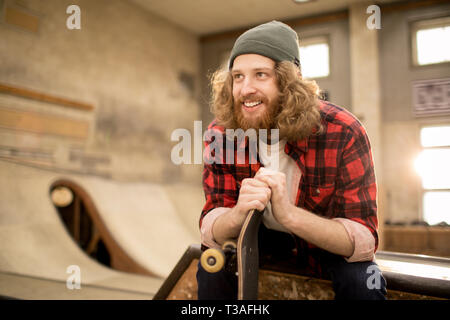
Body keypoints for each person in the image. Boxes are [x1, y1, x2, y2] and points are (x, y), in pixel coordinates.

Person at [196, 20, 387, 300]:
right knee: (212, 263)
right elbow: (210, 228)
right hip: (260, 238)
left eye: (260, 74)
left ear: (288, 82)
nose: (245, 89)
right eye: (237, 76)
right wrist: (237, 213)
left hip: (325, 243)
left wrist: (289, 214)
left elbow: (363, 240)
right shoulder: (221, 134)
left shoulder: (344, 130)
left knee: (363, 282)